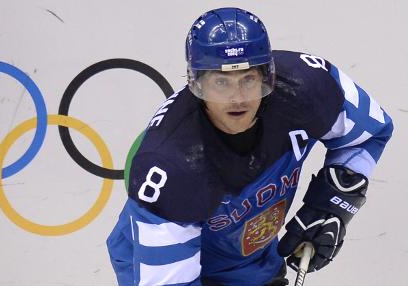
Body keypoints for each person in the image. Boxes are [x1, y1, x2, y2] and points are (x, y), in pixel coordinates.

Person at [106, 7, 393, 286]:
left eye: (248, 79)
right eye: (221, 82)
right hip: (165, 263)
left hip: (250, 263)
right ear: (197, 84)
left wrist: (330, 206)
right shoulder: (171, 165)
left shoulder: (305, 88)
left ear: (267, 76)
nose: (237, 98)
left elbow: (371, 132)